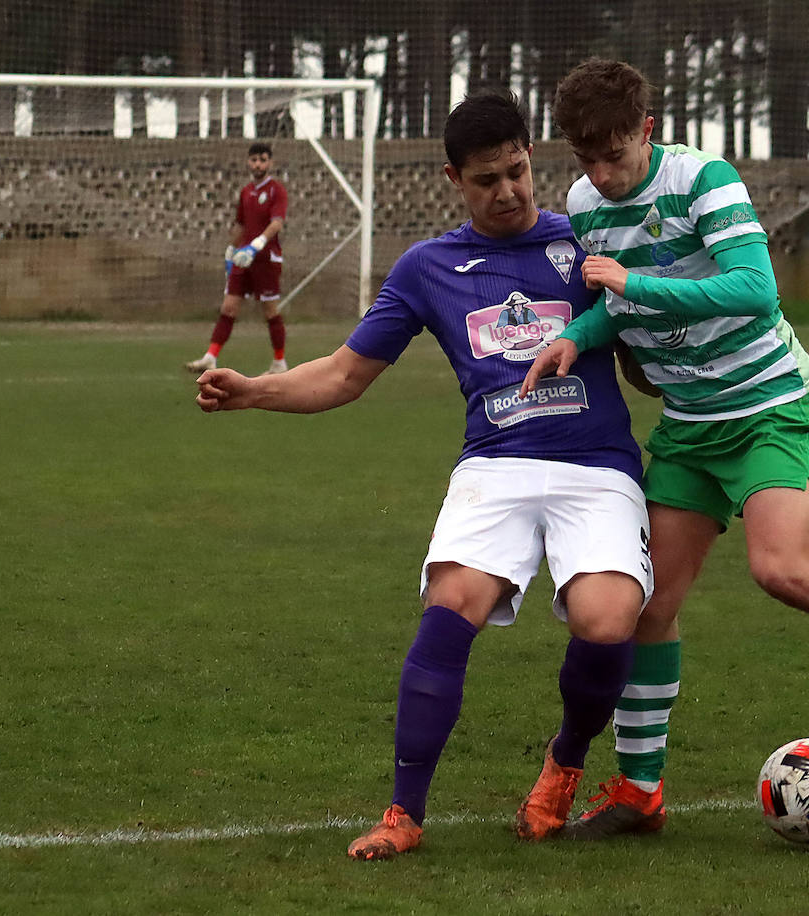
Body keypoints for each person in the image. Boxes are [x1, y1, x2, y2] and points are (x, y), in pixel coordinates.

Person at [521, 58, 809, 839]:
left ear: (646, 129)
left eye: (615, 154)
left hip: (771, 407)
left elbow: (754, 291)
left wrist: (634, 287)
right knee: (648, 608)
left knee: (780, 568)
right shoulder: (584, 204)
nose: (602, 175)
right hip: (691, 424)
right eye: (586, 159)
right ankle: (640, 792)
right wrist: (577, 336)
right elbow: (613, 305)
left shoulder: (704, 179)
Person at [194, 90, 653, 859]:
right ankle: (404, 815)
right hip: (495, 468)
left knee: (606, 624)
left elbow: (644, 354)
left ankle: (565, 760)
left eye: (515, 171)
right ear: (453, 179)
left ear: (530, 156)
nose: (506, 191)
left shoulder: (587, 239)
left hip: (597, 464)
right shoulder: (427, 267)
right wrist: (253, 392)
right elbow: (343, 375)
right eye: (485, 180)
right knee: (451, 606)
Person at [185, 141, 290, 375]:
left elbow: (277, 222)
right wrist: (231, 251)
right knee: (229, 307)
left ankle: (279, 363)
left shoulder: (276, 190)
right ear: (248, 162)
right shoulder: (246, 191)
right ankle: (210, 357)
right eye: (254, 160)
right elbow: (240, 224)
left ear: (270, 163)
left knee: (270, 311)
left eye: (263, 160)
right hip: (243, 259)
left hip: (265, 259)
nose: (258, 164)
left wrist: (258, 244)